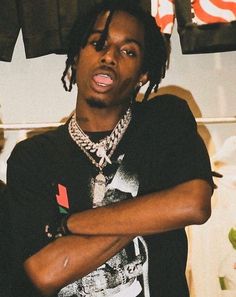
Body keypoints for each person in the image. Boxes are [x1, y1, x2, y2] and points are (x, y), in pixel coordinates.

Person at [6, 1, 214, 297]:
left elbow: (192, 204)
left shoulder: (162, 121)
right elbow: (45, 272)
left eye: (128, 51)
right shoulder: (34, 157)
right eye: (97, 43)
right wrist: (153, 207)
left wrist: (69, 223)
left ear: (143, 74)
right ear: (76, 57)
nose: (109, 57)